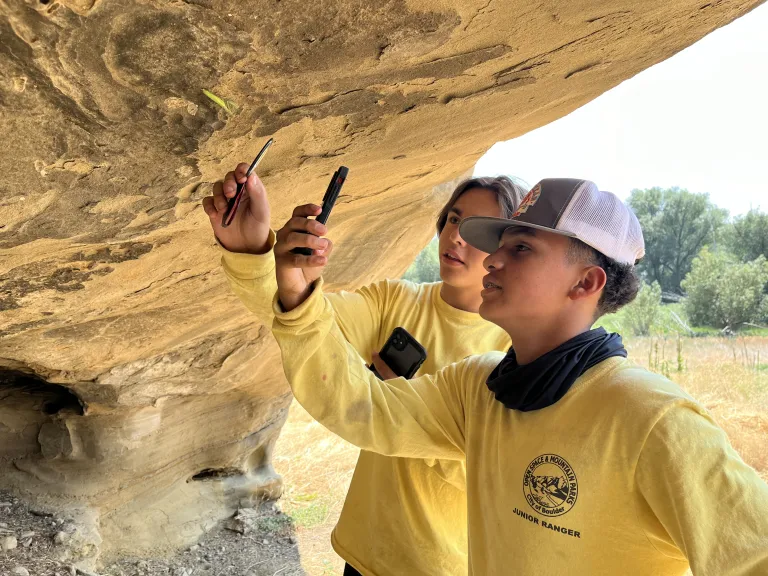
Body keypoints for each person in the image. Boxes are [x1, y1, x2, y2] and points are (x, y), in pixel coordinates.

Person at [268, 178, 768, 575]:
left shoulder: (649, 418)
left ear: (586, 282)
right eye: (500, 243)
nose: (494, 259)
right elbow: (363, 409)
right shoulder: (477, 386)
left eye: (522, 248)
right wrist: (293, 293)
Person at [203, 166, 527, 575]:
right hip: (362, 552)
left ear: (509, 249)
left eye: (480, 230)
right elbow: (300, 322)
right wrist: (253, 252)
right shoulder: (395, 300)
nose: (456, 236)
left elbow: (494, 476)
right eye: (454, 218)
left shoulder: (513, 348)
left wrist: (396, 404)